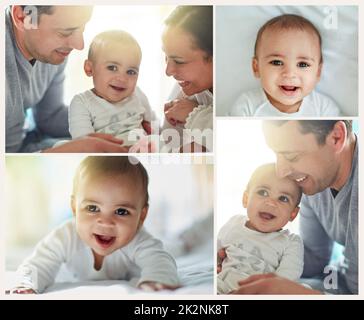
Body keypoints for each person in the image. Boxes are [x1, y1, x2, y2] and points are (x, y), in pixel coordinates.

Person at [12, 156, 179, 294]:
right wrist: (26, 285)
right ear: (74, 208)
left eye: (121, 211)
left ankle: (183, 242)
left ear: (142, 216)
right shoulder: (66, 237)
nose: (105, 222)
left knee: (175, 247)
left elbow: (160, 261)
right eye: (92, 208)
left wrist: (157, 279)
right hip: (69, 277)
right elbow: (37, 264)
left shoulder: (138, 239)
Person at [227, 120, 357, 294]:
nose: (281, 172)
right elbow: (315, 257)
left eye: (291, 156)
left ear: (336, 137)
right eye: (276, 154)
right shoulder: (315, 182)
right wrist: (250, 255)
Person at [6, 5, 129, 153]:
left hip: (22, 146)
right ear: (23, 17)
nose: (79, 45)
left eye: (82, 29)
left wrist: (114, 119)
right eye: (65, 33)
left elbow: (49, 116)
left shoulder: (49, 54)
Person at [229, 14, 341, 117]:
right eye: (277, 62)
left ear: (318, 72)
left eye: (302, 64)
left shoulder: (324, 109)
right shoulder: (246, 105)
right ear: (256, 67)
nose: (289, 74)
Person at [217, 163, 303, 294]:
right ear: (246, 199)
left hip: (262, 292)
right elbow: (216, 252)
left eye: (283, 198)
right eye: (263, 192)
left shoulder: (291, 242)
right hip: (222, 287)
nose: (271, 202)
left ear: (293, 213)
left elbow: (287, 278)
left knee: (304, 290)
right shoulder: (234, 223)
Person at [69, 30, 155, 149]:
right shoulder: (82, 102)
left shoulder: (137, 93)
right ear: (89, 69)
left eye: (131, 72)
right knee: (63, 147)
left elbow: (151, 124)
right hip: (106, 152)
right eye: (112, 67)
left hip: (142, 148)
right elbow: (84, 143)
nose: (122, 78)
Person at [161, 5, 213, 152]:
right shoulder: (184, 88)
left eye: (179, 61)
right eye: (166, 57)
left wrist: (194, 115)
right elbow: (167, 147)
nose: (168, 71)